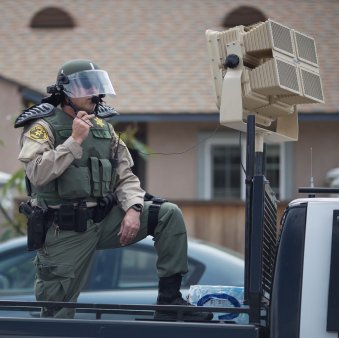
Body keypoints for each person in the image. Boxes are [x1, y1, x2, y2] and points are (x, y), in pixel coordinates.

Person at [15, 59, 212, 321]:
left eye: (97, 86)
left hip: (104, 221)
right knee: (56, 315)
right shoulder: (43, 126)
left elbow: (126, 175)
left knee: (167, 214)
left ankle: (169, 302)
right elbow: (37, 174)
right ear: (66, 91)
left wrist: (133, 208)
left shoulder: (104, 127)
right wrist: (73, 140)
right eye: (87, 86)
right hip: (63, 231)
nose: (96, 93)